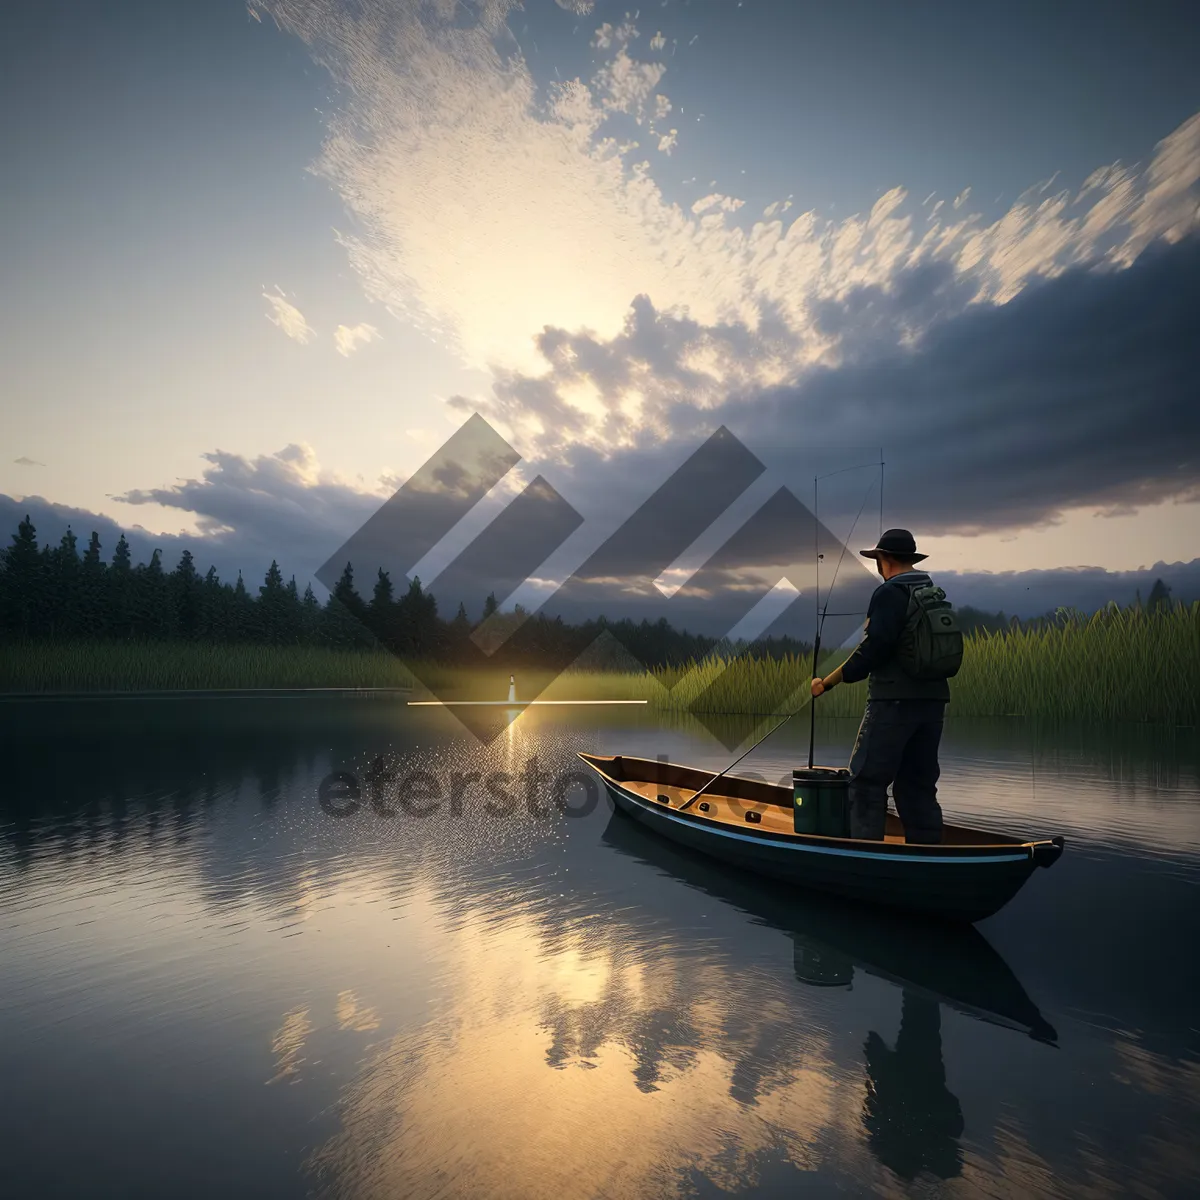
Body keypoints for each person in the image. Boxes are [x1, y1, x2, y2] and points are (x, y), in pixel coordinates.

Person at [810, 529, 949, 843]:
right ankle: (927, 857)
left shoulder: (889, 593)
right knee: (917, 785)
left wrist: (826, 683)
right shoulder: (930, 591)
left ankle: (864, 855)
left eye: (877, 559)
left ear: (884, 559)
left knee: (866, 782)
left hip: (892, 703)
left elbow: (874, 649)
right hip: (933, 704)